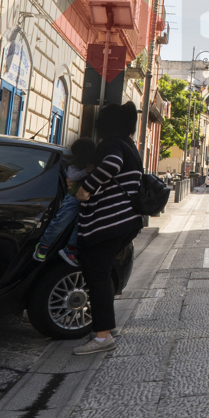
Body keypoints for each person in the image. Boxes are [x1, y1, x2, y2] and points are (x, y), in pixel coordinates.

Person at [72, 102, 144, 355]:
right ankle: (106, 328)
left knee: (97, 276)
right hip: (126, 221)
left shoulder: (111, 145)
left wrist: (86, 187)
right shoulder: (129, 145)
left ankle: (102, 337)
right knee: (100, 274)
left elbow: (111, 164)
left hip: (109, 221)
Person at [33, 137, 96, 265]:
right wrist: (86, 171)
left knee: (79, 225)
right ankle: (43, 245)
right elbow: (72, 176)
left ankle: (71, 249)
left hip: (86, 199)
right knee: (61, 221)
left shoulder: (94, 164)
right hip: (73, 198)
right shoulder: (75, 164)